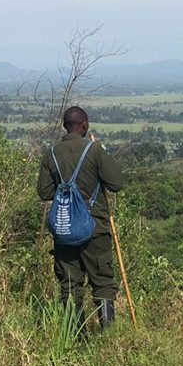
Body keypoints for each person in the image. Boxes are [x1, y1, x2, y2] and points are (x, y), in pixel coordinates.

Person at [37, 106, 124, 330]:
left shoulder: (52, 154)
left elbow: (44, 192)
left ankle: (76, 337)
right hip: (95, 227)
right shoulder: (93, 150)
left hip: (65, 228)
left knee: (69, 284)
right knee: (102, 281)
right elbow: (116, 184)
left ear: (65, 126)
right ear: (84, 125)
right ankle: (107, 335)